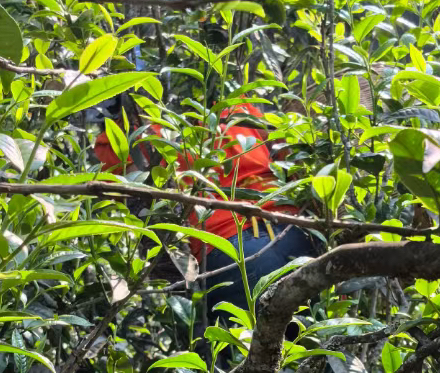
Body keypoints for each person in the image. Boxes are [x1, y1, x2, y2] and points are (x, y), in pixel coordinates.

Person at [94, 99, 318, 329]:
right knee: (325, 342)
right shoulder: (238, 107)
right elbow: (291, 160)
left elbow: (130, 205)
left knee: (259, 354)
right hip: (296, 230)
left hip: (231, 249)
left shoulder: (124, 137)